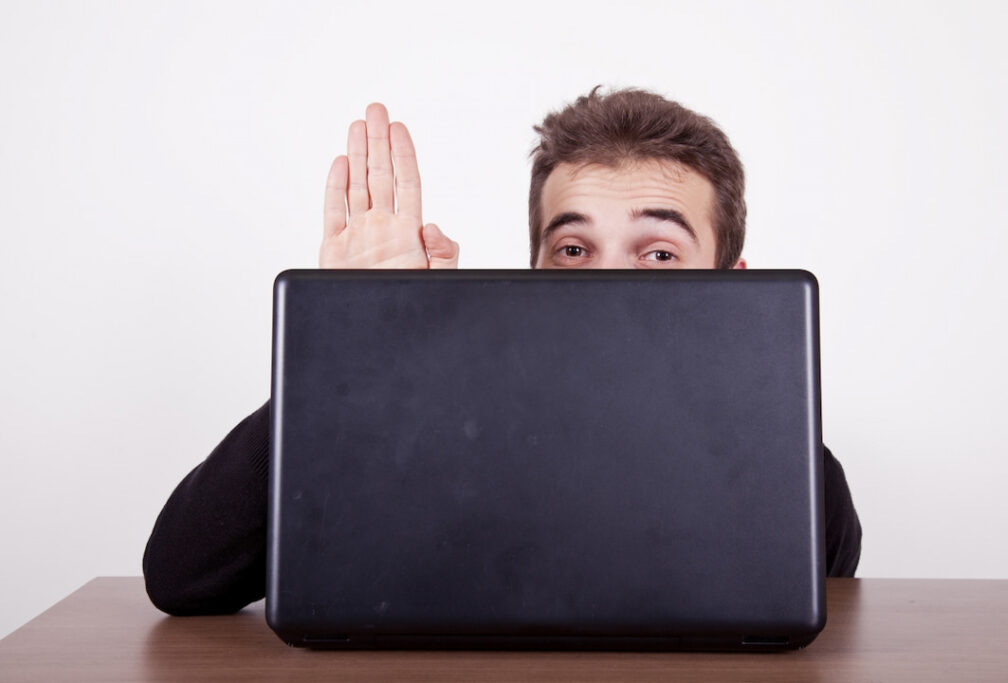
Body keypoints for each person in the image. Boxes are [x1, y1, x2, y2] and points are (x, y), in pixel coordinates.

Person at [143, 88, 862, 616]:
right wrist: (358, 348)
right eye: (574, 248)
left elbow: (807, 589)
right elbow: (181, 576)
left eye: (660, 252)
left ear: (733, 287)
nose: (608, 284)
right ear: (535, 271)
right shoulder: (433, 421)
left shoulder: (776, 465)